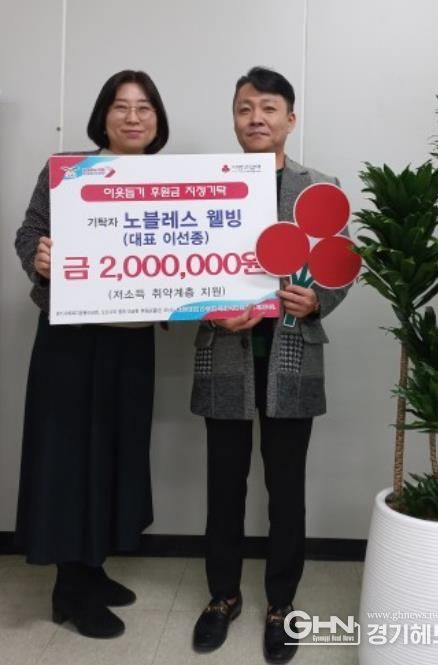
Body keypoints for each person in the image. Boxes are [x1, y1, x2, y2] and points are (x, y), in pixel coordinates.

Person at [191, 67, 350, 663]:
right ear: (234, 118)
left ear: (290, 118)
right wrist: (209, 309)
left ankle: (282, 604)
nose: (255, 118)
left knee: (287, 490)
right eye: (244, 108)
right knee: (223, 487)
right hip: (224, 355)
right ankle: (223, 597)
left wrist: (317, 301)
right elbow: (182, 267)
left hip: (291, 357)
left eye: (268, 108)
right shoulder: (204, 186)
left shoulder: (320, 188)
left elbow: (340, 266)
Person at [14, 70, 169, 639]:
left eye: (144, 107)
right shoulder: (68, 172)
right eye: (121, 106)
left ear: (157, 120)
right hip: (72, 342)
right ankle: (69, 588)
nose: (133, 117)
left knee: (115, 453)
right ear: (102, 117)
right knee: (69, 457)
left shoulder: (173, 181)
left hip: (131, 341)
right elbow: (28, 233)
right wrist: (40, 258)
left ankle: (93, 566)